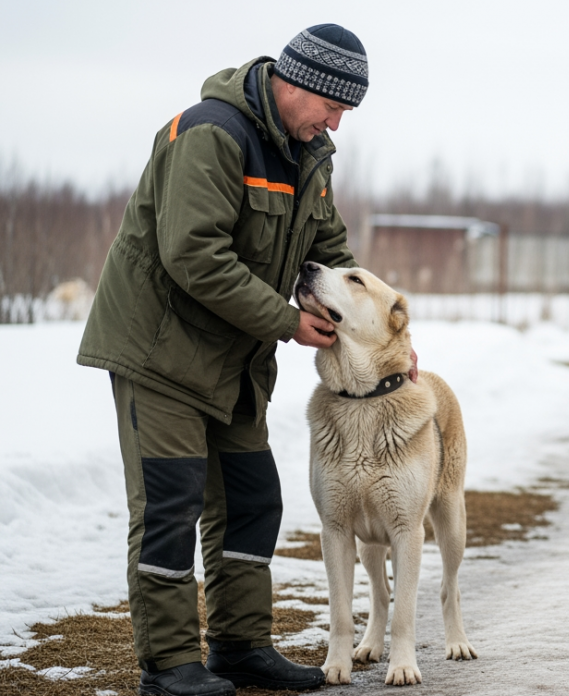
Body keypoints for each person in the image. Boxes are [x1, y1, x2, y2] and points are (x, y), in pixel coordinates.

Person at [77, 25, 381, 696]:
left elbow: (329, 252)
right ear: (299, 84)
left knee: (251, 500)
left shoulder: (309, 155)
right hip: (159, 352)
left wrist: (380, 332)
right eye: (334, 108)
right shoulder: (210, 134)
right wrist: (285, 322)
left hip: (233, 360)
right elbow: (194, 255)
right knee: (170, 504)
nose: (336, 124)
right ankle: (169, 666)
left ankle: (240, 648)